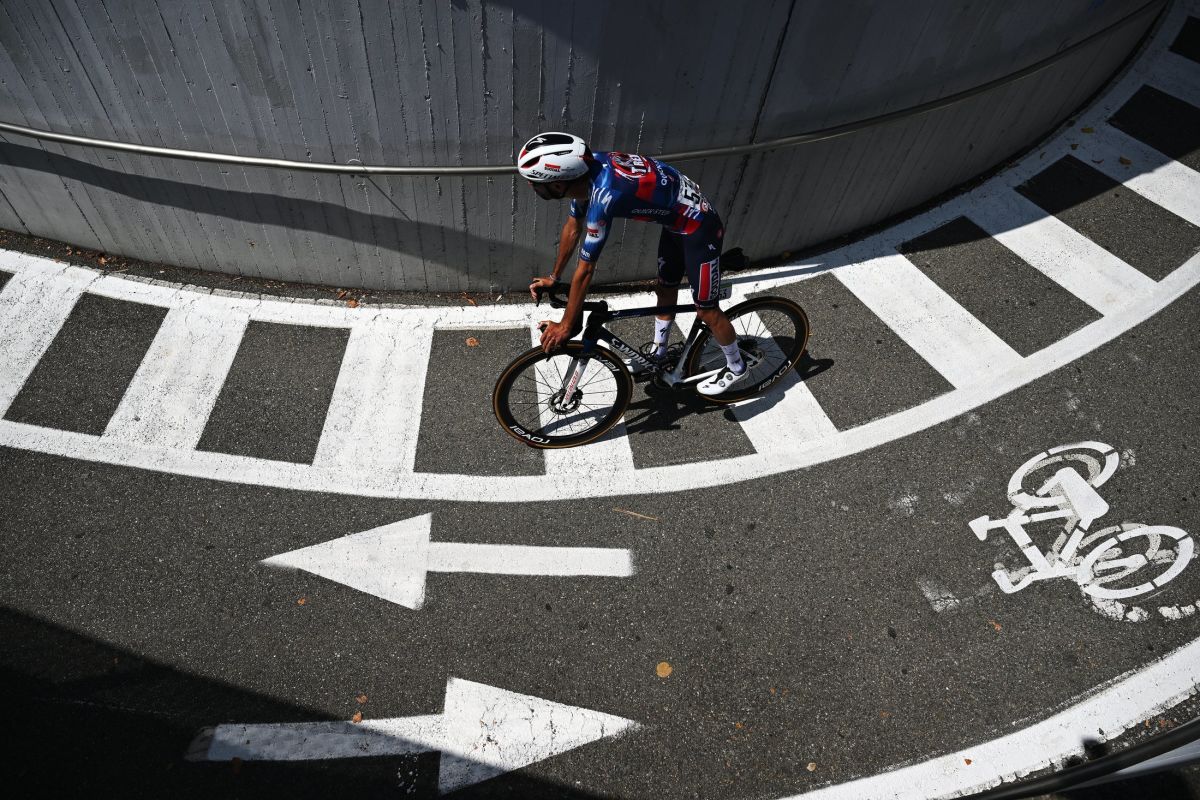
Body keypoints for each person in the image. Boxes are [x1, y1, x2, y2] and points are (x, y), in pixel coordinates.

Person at [518, 131, 746, 396]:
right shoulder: (585, 171)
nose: (531, 186)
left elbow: (587, 268)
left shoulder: (604, 195)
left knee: (707, 311)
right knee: (665, 288)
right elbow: (573, 227)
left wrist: (567, 325)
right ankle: (660, 353)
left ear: (558, 185)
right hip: (677, 223)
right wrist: (554, 277)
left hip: (700, 229)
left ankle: (736, 366)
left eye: (535, 182)